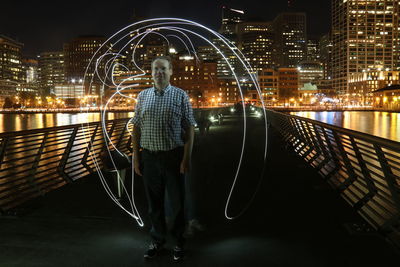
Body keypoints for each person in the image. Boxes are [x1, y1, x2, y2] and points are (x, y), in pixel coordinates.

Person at [131, 55, 196, 262]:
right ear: (151, 73)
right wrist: (135, 156)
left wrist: (186, 158)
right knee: (154, 205)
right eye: (155, 69)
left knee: (177, 203)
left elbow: (189, 128)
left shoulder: (180, 95)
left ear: (171, 72)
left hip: (173, 157)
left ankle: (178, 242)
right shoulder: (142, 96)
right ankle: (157, 240)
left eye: (163, 69)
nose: (159, 73)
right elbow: (136, 127)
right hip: (149, 157)